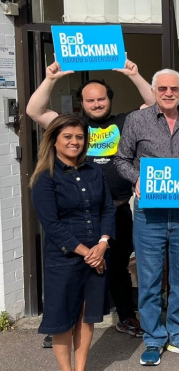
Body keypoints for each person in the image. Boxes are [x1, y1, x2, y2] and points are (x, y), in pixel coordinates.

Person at [27, 60, 155, 342]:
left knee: (118, 266)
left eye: (101, 99)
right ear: (81, 104)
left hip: (117, 211)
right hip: (76, 214)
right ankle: (61, 324)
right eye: (90, 100)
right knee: (71, 270)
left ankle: (125, 316)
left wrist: (134, 74)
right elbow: (34, 111)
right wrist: (50, 79)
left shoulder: (126, 122)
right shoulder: (73, 126)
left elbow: (153, 101)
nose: (96, 104)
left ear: (109, 99)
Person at [114, 69, 179, 366]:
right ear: (154, 91)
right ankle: (154, 338)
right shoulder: (137, 119)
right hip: (149, 213)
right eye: (163, 88)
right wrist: (137, 179)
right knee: (150, 278)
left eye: (175, 89)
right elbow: (121, 159)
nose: (169, 93)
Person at [31, 113, 115, 371]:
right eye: (67, 136)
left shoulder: (94, 171)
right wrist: (88, 253)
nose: (74, 142)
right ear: (54, 140)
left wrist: (102, 245)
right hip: (64, 259)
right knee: (63, 321)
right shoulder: (45, 177)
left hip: (96, 255)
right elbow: (52, 225)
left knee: (86, 318)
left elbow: (108, 209)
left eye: (79, 137)